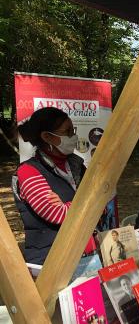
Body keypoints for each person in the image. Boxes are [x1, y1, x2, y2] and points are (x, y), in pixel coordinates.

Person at [12, 107, 95, 264]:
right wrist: (88, 201)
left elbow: (101, 202)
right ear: (47, 137)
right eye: (67, 132)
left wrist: (68, 206)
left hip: (85, 256)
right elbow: (57, 215)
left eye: (73, 130)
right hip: (51, 261)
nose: (74, 136)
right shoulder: (28, 172)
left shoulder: (76, 165)